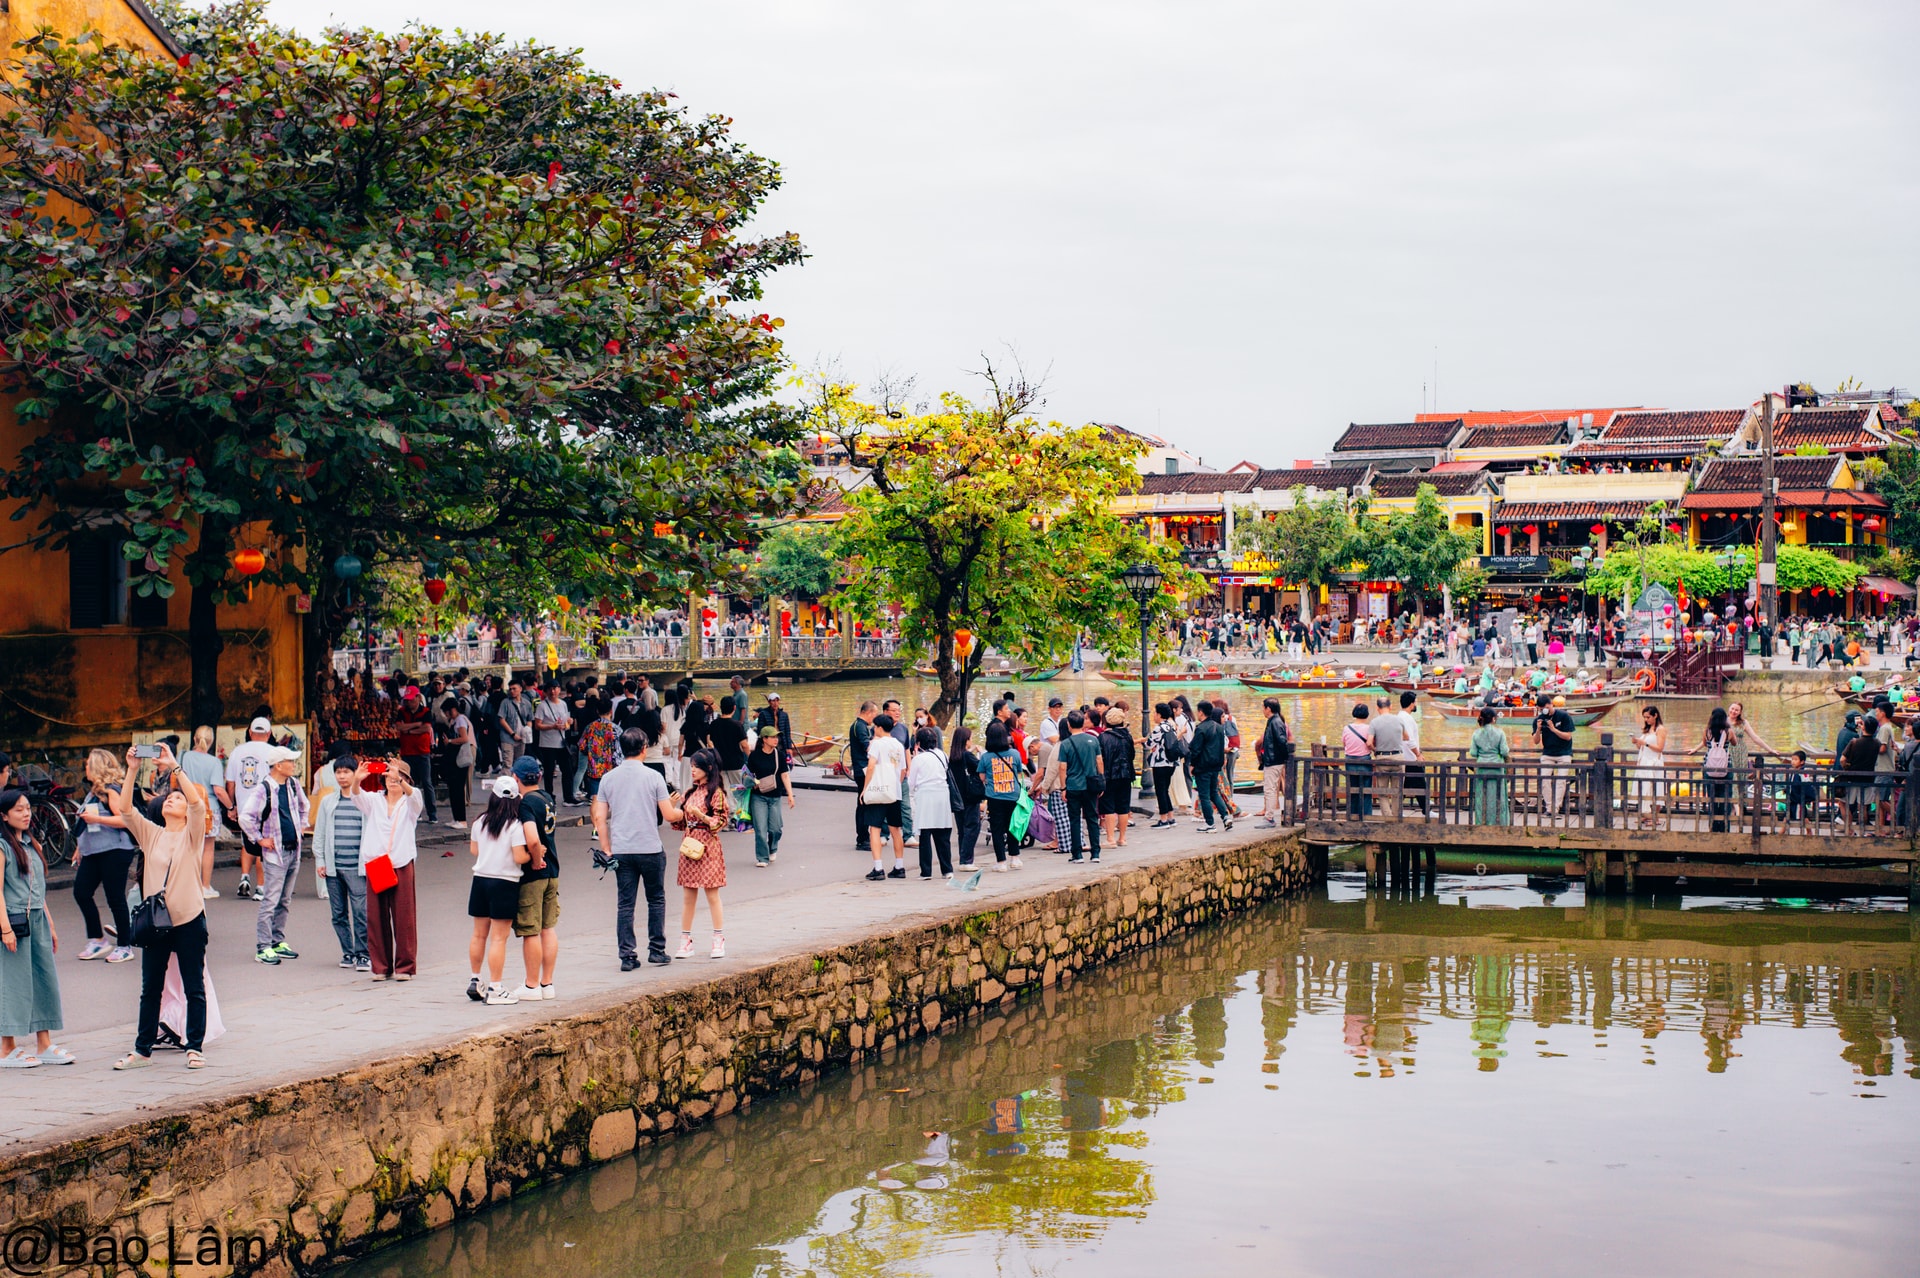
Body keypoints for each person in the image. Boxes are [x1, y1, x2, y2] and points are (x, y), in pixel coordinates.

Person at [109, 741, 216, 1069]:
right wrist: (131, 770)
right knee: (150, 988)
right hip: (156, 922)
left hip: (188, 919)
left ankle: (194, 1047)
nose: (173, 799)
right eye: (170, 796)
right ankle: (142, 1050)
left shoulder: (192, 834)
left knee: (192, 986)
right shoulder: (152, 834)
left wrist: (174, 768)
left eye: (178, 799)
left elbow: (198, 806)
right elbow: (125, 811)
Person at [593, 728, 679, 971]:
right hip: (650, 848)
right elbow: (669, 815)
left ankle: (627, 956)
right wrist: (681, 808)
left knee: (625, 903)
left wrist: (606, 848)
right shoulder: (654, 777)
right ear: (644, 749)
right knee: (656, 900)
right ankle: (657, 950)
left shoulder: (608, 778)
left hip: (622, 849)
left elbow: (599, 818)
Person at [0, 789, 68, 1068]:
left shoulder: (31, 844)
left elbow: (37, 891)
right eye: (18, 809)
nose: (26, 813)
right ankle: (7, 1048)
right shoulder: (2, 847)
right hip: (14, 922)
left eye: (27, 808)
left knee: (43, 980)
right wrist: (5, 929)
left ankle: (44, 1044)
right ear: (3, 815)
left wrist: (50, 924)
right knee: (14, 985)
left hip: (37, 919)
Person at [354, 757, 425, 980]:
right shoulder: (374, 800)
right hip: (377, 862)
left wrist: (400, 779)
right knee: (376, 917)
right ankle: (381, 966)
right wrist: (356, 781)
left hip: (401, 862)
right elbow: (357, 796)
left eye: (398, 778)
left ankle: (404, 967)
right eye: (389, 777)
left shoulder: (410, 801)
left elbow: (415, 798)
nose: (392, 781)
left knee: (404, 917)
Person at [239, 746, 309, 965]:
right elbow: (245, 817)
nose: (294, 764)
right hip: (274, 853)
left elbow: (304, 807)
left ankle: (277, 941)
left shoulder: (293, 785)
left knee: (285, 899)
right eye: (290, 761)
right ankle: (263, 946)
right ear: (279, 765)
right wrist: (259, 839)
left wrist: (301, 828)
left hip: (292, 849)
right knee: (271, 900)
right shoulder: (263, 789)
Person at [465, 778, 532, 1006]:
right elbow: (519, 857)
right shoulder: (515, 826)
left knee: (478, 935)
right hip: (504, 882)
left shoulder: (479, 822)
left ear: (492, 797)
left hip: (480, 880)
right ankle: (495, 987)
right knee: (498, 939)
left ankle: (475, 979)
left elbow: (475, 850)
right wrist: (535, 853)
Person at [72, 749, 138, 964]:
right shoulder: (94, 791)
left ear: (98, 767)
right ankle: (97, 939)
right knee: (81, 891)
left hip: (115, 850)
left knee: (115, 897)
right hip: (94, 851)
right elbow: (86, 822)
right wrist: (79, 848)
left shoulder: (111, 791)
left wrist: (97, 820)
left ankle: (125, 946)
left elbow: (125, 820)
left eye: (88, 764)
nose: (86, 768)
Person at [312, 756, 371, 971]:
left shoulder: (366, 800)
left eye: (347, 772)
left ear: (356, 774)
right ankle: (348, 952)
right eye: (339, 772)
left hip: (358, 867)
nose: (342, 776)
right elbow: (319, 833)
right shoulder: (328, 802)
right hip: (334, 867)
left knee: (360, 912)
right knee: (338, 914)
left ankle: (363, 954)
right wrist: (320, 859)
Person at [512, 754, 561, 1001]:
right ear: (539, 777)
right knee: (548, 928)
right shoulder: (547, 798)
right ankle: (547, 983)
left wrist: (534, 859)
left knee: (531, 929)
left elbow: (532, 837)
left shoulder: (526, 804)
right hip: (553, 870)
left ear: (515, 778)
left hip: (535, 873)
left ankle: (531, 986)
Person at [673, 749, 729, 958]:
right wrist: (672, 810)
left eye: (697, 766)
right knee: (688, 895)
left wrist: (702, 817)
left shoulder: (717, 794)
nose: (693, 770)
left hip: (708, 847)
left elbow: (721, 822)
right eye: (692, 766)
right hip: (689, 847)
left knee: (712, 894)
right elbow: (680, 824)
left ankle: (718, 938)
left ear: (709, 768)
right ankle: (685, 939)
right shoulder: (689, 793)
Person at [224, 716, 277, 900]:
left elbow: (230, 783)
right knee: (264, 845)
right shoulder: (274, 752)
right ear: (269, 734)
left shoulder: (238, 752)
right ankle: (261, 888)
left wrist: (232, 806)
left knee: (247, 842)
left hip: (245, 806)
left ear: (250, 732)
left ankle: (245, 878)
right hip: (266, 806)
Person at [178, 727, 227, 899]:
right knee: (207, 848)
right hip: (209, 807)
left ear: (194, 739)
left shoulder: (183, 757)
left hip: (186, 806)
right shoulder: (214, 762)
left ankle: (186, 885)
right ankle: (205, 886)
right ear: (211, 741)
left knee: (188, 846)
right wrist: (230, 806)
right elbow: (219, 790)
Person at [860, 713, 909, 879]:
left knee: (875, 828)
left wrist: (865, 788)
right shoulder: (898, 745)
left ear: (879, 727)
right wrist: (896, 784)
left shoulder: (877, 744)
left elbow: (871, 765)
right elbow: (903, 769)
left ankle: (878, 868)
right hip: (894, 791)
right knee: (896, 829)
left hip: (879, 790)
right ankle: (899, 866)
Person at [980, 721, 1028, 870]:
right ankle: (1015, 858)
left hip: (994, 797)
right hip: (1013, 796)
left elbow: (982, 777)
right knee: (1013, 826)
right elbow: (1020, 772)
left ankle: (1001, 862)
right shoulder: (1014, 754)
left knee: (997, 830)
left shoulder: (985, 757)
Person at [908, 726, 955, 878]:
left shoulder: (918, 759)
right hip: (942, 794)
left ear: (919, 743)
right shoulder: (943, 755)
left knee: (925, 834)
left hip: (925, 795)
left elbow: (911, 783)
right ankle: (947, 870)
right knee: (943, 833)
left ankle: (926, 871)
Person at [745, 725, 794, 866]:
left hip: (775, 796)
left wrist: (790, 795)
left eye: (776, 737)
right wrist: (752, 781)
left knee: (776, 829)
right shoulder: (754, 756)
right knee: (760, 829)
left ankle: (772, 848)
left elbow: (785, 775)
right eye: (772, 737)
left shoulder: (780, 755)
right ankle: (762, 858)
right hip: (758, 796)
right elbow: (747, 774)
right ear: (764, 739)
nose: (776, 739)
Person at [394, 685, 438, 824]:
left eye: (411, 700)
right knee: (411, 783)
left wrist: (408, 730)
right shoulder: (402, 711)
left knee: (427, 782)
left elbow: (426, 728)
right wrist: (416, 725)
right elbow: (399, 727)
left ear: (418, 698)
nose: (409, 703)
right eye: (407, 700)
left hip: (422, 751)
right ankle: (414, 812)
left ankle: (432, 814)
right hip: (407, 751)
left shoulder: (426, 711)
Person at [1187, 702, 1230, 832]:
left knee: (1204, 795)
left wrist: (1192, 765)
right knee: (1214, 793)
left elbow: (1195, 749)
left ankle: (1210, 823)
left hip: (1203, 766)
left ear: (1201, 712)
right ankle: (1226, 817)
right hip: (1215, 766)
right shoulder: (1218, 727)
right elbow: (1220, 747)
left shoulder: (1201, 728)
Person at [1532, 694, 1576, 816]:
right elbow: (1536, 741)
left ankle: (1556, 808)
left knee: (1561, 780)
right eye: (1541, 709)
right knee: (1544, 779)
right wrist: (1538, 729)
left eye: (1545, 707)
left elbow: (1568, 736)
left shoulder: (1563, 716)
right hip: (1548, 754)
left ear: (1551, 704)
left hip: (1564, 753)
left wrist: (1553, 729)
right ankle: (1549, 808)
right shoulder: (1539, 719)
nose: (1544, 711)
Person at [532, 683, 576, 805]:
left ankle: (569, 796)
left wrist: (569, 722)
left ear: (559, 690)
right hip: (548, 744)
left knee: (567, 770)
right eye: (550, 689)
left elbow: (566, 719)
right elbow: (537, 725)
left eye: (555, 688)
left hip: (562, 742)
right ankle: (549, 796)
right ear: (546, 691)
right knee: (549, 771)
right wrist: (552, 726)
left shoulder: (563, 704)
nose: (553, 691)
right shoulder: (542, 706)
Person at [1098, 708, 1136, 850]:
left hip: (1109, 776)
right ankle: (1122, 838)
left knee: (1108, 807)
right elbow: (1131, 755)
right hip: (1126, 775)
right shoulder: (1128, 736)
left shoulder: (1103, 737)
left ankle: (1110, 839)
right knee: (1123, 806)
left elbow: (1100, 758)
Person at [438, 695, 476, 830]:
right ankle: (457, 818)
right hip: (458, 757)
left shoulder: (460, 720)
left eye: (446, 712)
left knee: (458, 788)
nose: (446, 715)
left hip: (461, 757)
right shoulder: (457, 720)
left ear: (452, 710)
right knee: (455, 788)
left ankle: (461, 820)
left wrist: (449, 741)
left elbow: (464, 738)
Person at [950, 725, 986, 868]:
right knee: (972, 827)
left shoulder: (953, 756)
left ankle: (963, 858)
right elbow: (980, 767)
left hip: (957, 797)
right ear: (966, 740)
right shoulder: (967, 756)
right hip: (970, 796)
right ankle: (967, 860)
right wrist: (982, 753)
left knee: (962, 830)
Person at [1469, 707, 1511, 826]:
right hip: (1497, 768)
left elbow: (1473, 752)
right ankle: (1501, 823)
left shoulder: (1477, 733)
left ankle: (1482, 822)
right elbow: (1504, 751)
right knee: (1499, 797)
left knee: (1482, 798)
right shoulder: (1499, 732)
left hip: (1482, 768)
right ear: (1493, 719)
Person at [1698, 707, 1736, 833]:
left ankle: (1713, 828)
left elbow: (1704, 744)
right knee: (1726, 799)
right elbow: (1734, 743)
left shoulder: (1707, 731)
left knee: (1712, 799)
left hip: (1710, 769)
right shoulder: (1728, 731)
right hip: (1725, 768)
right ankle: (1725, 828)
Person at [1255, 699, 1291, 827]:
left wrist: (1283, 756)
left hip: (1273, 760)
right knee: (1270, 788)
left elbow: (1282, 742)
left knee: (1270, 789)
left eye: (1263, 708)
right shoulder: (1275, 721)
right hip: (1273, 759)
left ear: (1268, 708)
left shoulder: (1275, 722)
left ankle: (1269, 817)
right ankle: (1269, 816)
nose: (1262, 710)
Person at [1146, 702, 1182, 828]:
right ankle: (1171, 817)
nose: (1154, 715)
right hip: (1171, 762)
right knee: (1165, 790)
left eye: (1155, 713)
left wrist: (1146, 742)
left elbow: (1148, 744)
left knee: (1160, 791)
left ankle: (1163, 819)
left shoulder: (1158, 728)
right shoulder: (1171, 726)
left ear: (1159, 714)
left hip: (1160, 763)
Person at [708, 697, 749, 794]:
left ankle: (728, 808)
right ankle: (736, 808)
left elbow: (710, 742)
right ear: (734, 708)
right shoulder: (737, 725)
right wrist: (751, 758)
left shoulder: (714, 724)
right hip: (736, 763)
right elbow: (744, 745)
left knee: (724, 790)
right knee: (737, 790)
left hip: (720, 763)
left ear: (721, 707)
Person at [1341, 703, 1374, 818]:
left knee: (1352, 790)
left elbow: (1344, 743)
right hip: (1365, 761)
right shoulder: (1369, 728)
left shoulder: (1347, 728)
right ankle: (1367, 816)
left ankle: (1352, 815)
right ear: (1367, 714)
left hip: (1350, 761)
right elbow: (1371, 744)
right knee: (1366, 790)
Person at [498, 681, 533, 772]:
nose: (512, 691)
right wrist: (512, 734)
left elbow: (529, 719)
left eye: (514, 689)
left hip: (522, 737)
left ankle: (517, 784)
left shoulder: (526, 703)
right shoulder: (505, 702)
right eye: (510, 689)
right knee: (507, 763)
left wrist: (527, 729)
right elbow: (502, 719)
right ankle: (507, 784)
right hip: (507, 737)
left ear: (520, 689)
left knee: (519, 763)